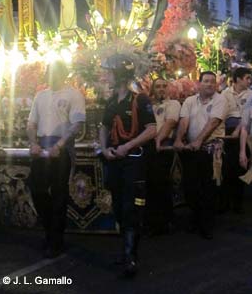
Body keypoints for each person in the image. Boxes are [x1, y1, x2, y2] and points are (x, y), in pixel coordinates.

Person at [99, 62, 156, 277]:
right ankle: (125, 251)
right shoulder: (111, 101)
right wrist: (104, 149)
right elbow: (104, 127)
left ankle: (131, 256)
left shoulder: (140, 99)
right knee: (118, 208)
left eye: (110, 72)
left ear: (120, 76)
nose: (106, 76)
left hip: (133, 160)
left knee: (131, 209)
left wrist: (127, 146)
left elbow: (152, 130)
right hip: (115, 161)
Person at [27, 60, 86, 259]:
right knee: (38, 191)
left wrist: (59, 145)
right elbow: (31, 124)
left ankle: (56, 240)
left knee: (59, 195)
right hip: (42, 148)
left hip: (62, 150)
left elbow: (76, 125)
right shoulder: (40, 96)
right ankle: (50, 232)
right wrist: (33, 143)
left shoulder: (73, 95)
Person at [174, 71, 227, 239]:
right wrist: (178, 139)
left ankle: (206, 225)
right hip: (191, 150)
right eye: (206, 81)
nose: (210, 84)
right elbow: (184, 121)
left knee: (208, 189)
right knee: (190, 187)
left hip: (210, 150)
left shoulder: (220, 100)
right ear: (199, 83)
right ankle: (196, 218)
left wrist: (198, 141)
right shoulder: (190, 101)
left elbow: (213, 123)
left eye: (213, 82)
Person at [146, 78, 181, 235]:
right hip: (149, 148)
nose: (161, 89)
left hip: (163, 148)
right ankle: (153, 221)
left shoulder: (173, 104)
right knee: (150, 186)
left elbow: (170, 123)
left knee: (162, 185)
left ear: (168, 89)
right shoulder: (149, 106)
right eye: (157, 87)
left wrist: (157, 142)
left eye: (163, 86)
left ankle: (165, 221)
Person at [221, 67, 252, 212]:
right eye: (247, 78)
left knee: (240, 165)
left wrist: (238, 130)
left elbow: (246, 119)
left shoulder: (251, 94)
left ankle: (237, 202)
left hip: (244, 131)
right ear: (238, 79)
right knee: (226, 167)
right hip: (227, 132)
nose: (249, 81)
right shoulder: (225, 93)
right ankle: (225, 200)